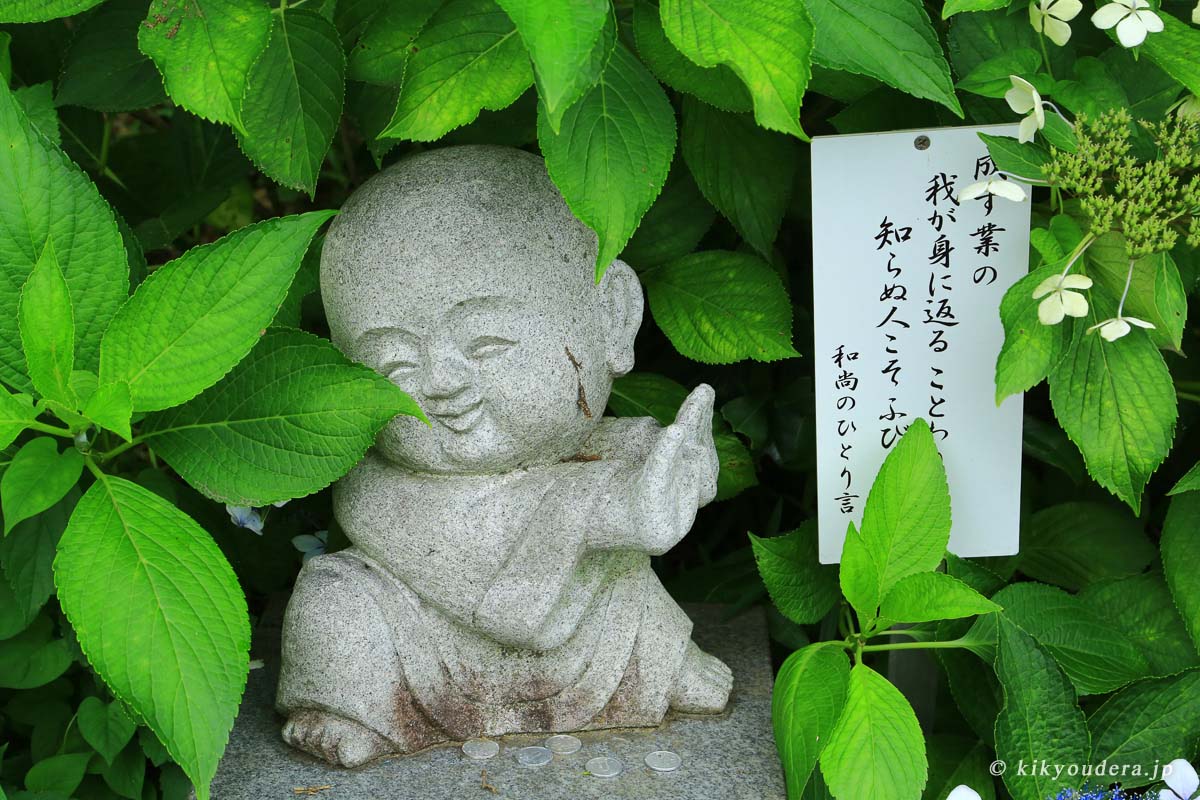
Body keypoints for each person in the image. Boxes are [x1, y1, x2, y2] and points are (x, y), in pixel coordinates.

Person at [277, 146, 731, 767]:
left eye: (485, 342)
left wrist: (678, 477)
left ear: (612, 318)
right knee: (338, 605)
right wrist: (607, 510)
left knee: (622, 578)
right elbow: (508, 547)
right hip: (421, 643)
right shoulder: (381, 488)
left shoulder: (591, 452)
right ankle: (350, 706)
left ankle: (657, 666)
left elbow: (631, 483)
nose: (440, 382)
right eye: (394, 364)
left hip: (579, 631)